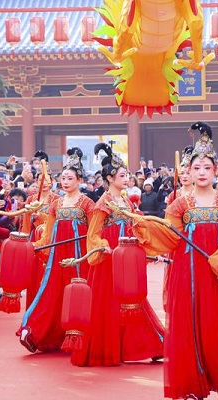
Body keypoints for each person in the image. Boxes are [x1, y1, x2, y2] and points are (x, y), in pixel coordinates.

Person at [133, 122, 218, 400]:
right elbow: (167, 236)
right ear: (189, 171)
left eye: (206, 168)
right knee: (189, 325)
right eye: (196, 168)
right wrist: (142, 225)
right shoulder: (180, 205)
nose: (200, 173)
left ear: (216, 170)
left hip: (217, 273)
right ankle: (191, 384)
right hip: (188, 273)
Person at [70, 142, 165, 367]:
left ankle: (149, 344)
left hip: (126, 256)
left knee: (133, 298)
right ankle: (110, 347)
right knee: (110, 301)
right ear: (110, 178)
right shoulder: (103, 202)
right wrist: (102, 245)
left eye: (127, 174)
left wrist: (147, 244)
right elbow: (93, 233)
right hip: (109, 257)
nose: (127, 178)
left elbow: (137, 224)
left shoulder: (126, 201)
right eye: (122, 175)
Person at [19, 148, 95, 354]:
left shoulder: (88, 204)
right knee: (51, 291)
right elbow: (48, 233)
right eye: (63, 178)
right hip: (57, 254)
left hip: (79, 256)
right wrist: (36, 247)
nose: (66, 181)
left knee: (79, 291)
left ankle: (79, 335)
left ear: (79, 180)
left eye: (70, 178)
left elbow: (94, 231)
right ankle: (37, 333)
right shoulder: (56, 204)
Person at [21, 153, 59, 309]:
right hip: (35, 242)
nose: (44, 183)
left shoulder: (57, 199)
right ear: (37, 182)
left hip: (50, 242)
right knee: (35, 277)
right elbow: (25, 223)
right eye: (41, 180)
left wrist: (41, 216)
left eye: (48, 180)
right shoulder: (31, 200)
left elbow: (57, 221)